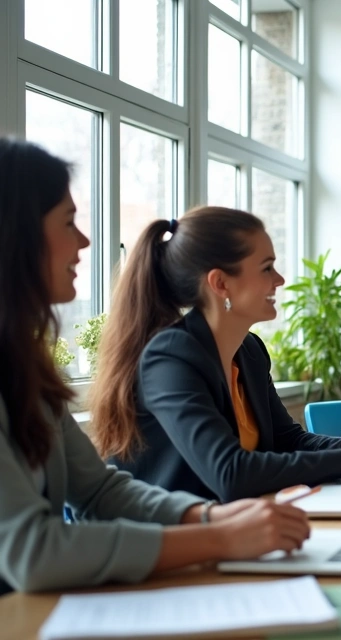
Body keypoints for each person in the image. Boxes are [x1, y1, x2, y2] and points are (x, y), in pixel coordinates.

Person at [0, 137, 311, 594]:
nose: (84, 240)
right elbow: (33, 553)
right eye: (68, 221)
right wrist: (218, 537)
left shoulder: (26, 367)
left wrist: (212, 518)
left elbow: (100, 491)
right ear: (17, 235)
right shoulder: (174, 353)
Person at [89, 207, 341, 503]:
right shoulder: (170, 357)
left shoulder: (249, 350)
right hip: (168, 536)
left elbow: (287, 439)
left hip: (236, 523)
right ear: (220, 283)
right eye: (267, 268)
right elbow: (229, 473)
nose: (280, 280)